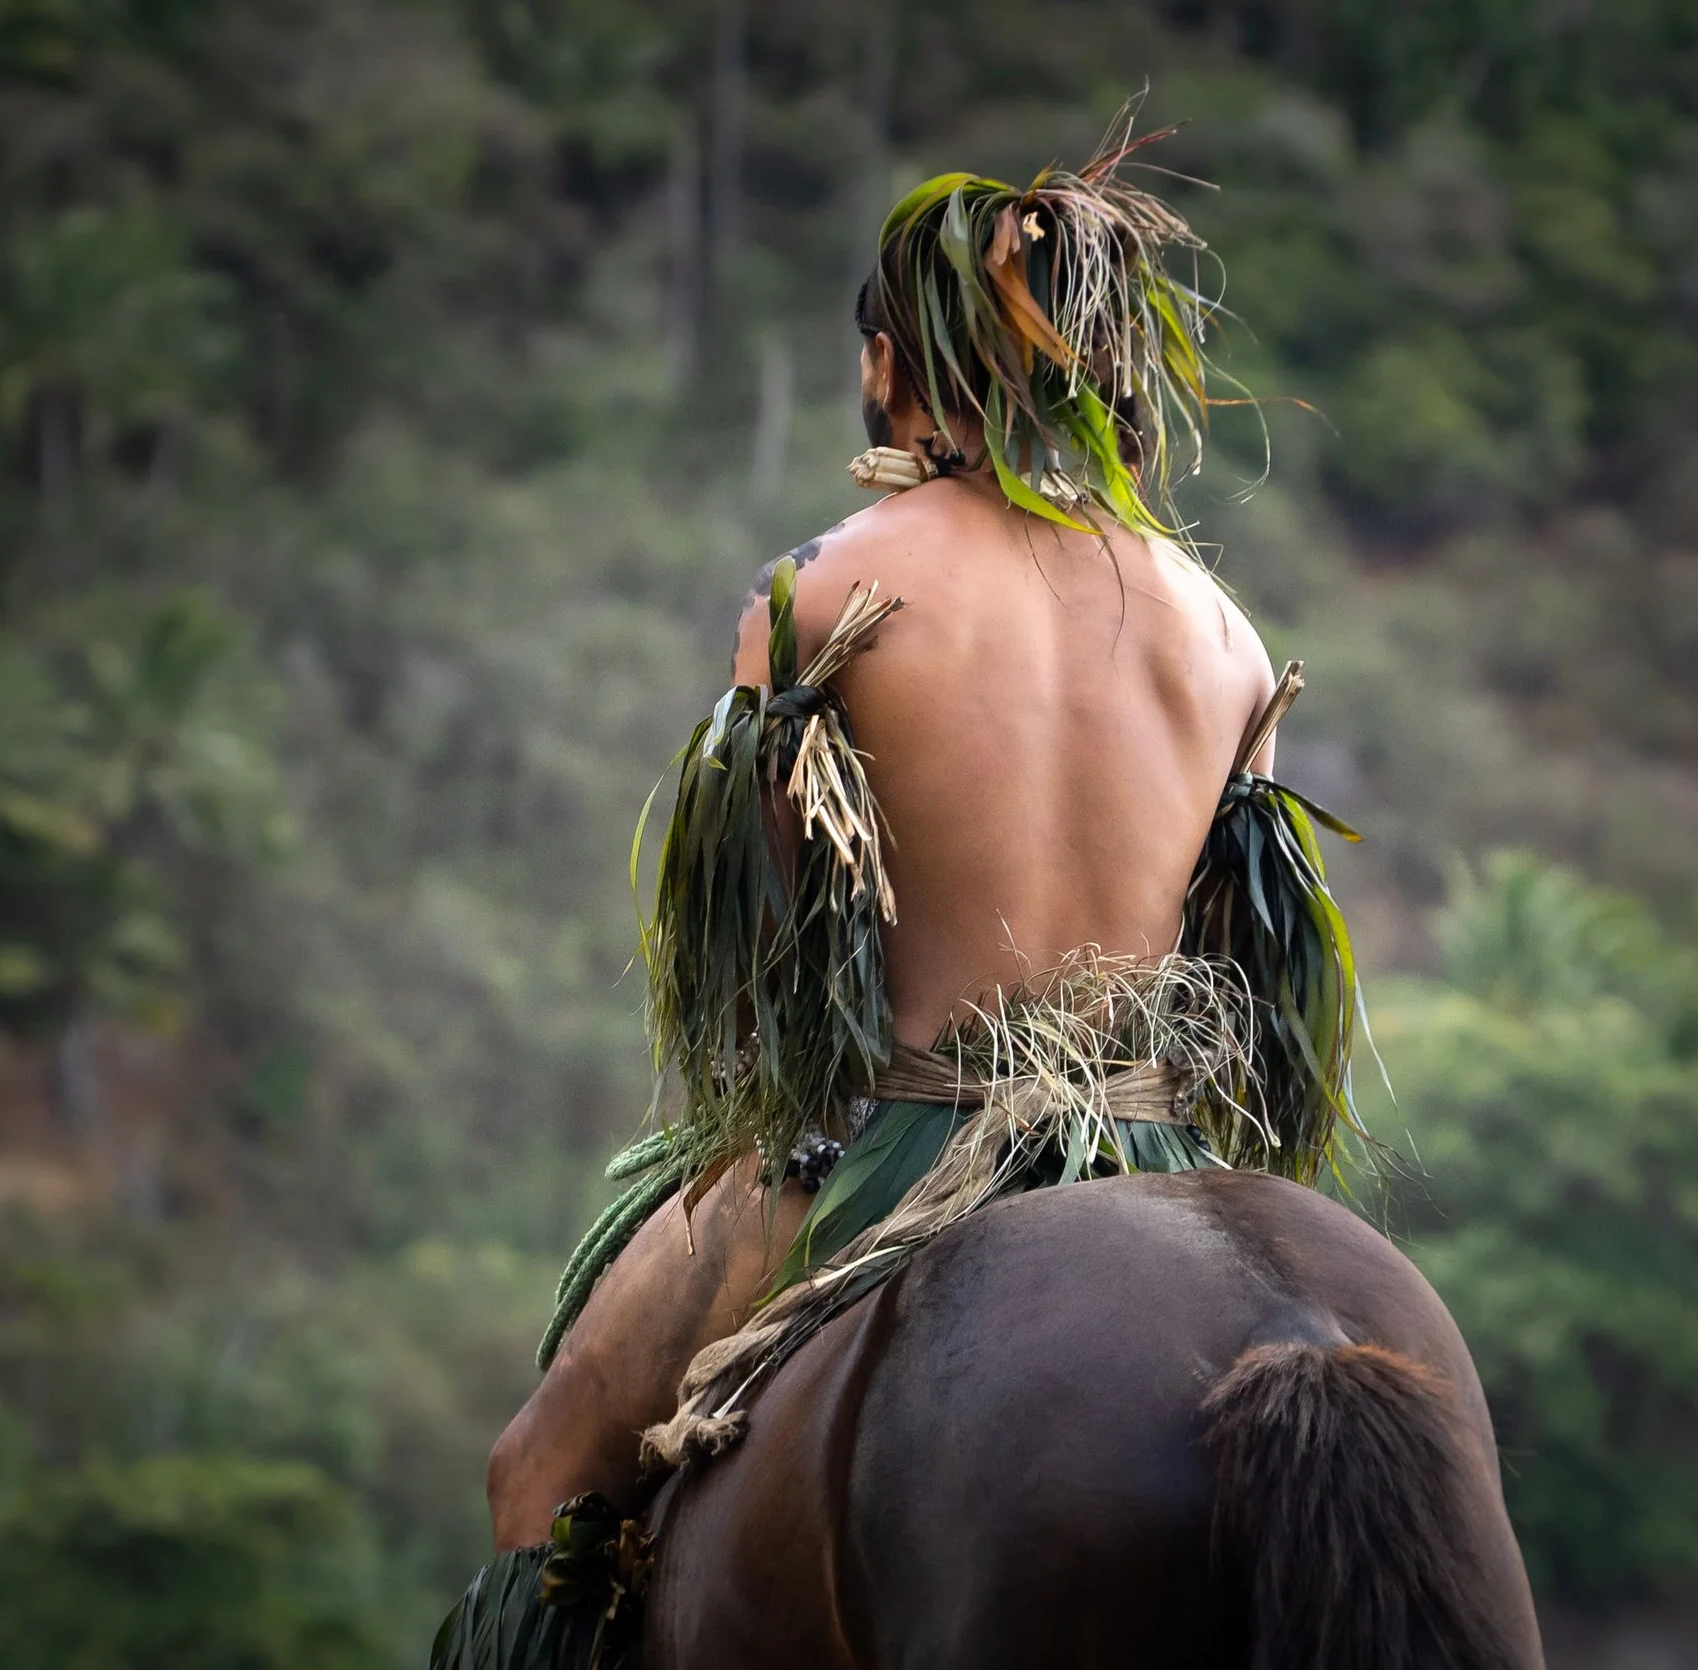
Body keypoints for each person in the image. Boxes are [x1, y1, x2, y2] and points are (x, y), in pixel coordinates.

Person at [446, 119, 1362, 1664]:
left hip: (893, 1137)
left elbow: (769, 977)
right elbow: (1240, 972)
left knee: (538, 1478)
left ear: (892, 361)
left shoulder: (825, 590)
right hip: (1150, 1145)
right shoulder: (1224, 633)